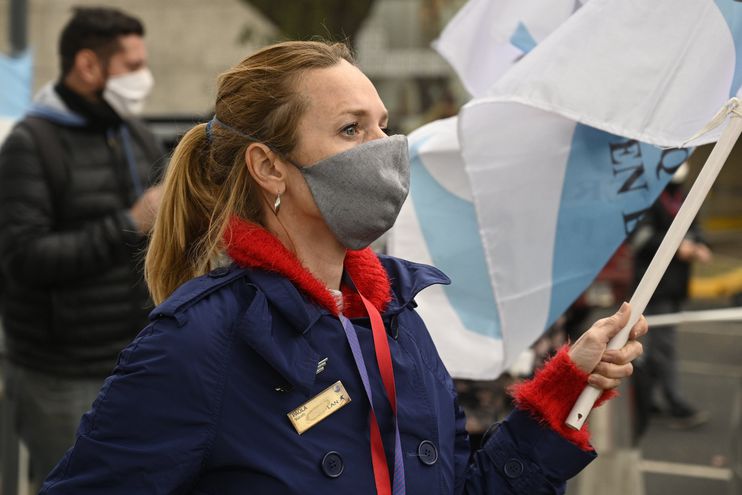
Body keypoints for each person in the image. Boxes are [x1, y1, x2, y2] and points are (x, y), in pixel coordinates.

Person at [39, 40, 646, 494]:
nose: (384, 148)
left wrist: (564, 390)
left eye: (383, 125)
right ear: (269, 167)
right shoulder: (200, 341)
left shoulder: (396, 320)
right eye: (351, 129)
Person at [0, 6, 163, 481]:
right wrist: (129, 223)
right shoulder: (31, 145)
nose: (143, 79)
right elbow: (23, 258)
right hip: (60, 374)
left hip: (136, 357)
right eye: (132, 67)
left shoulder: (135, 134)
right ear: (88, 65)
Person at [631, 162, 711, 438]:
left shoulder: (685, 199)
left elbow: (696, 228)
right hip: (654, 287)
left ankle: (648, 400)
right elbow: (641, 240)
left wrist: (697, 244)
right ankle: (675, 403)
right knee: (664, 347)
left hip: (676, 285)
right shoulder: (650, 200)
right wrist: (678, 246)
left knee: (656, 348)